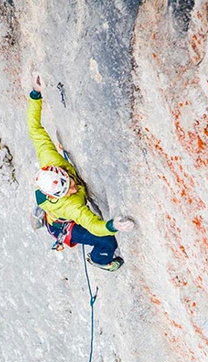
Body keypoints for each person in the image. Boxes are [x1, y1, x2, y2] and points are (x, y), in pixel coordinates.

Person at [27, 74, 134, 272]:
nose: (75, 187)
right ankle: (99, 260)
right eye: (69, 190)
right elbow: (93, 225)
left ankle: (44, 211)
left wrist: (35, 93)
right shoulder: (72, 206)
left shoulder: (50, 159)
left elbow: (35, 129)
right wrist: (113, 226)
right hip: (65, 225)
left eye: (69, 182)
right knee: (108, 243)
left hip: (54, 208)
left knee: (51, 205)